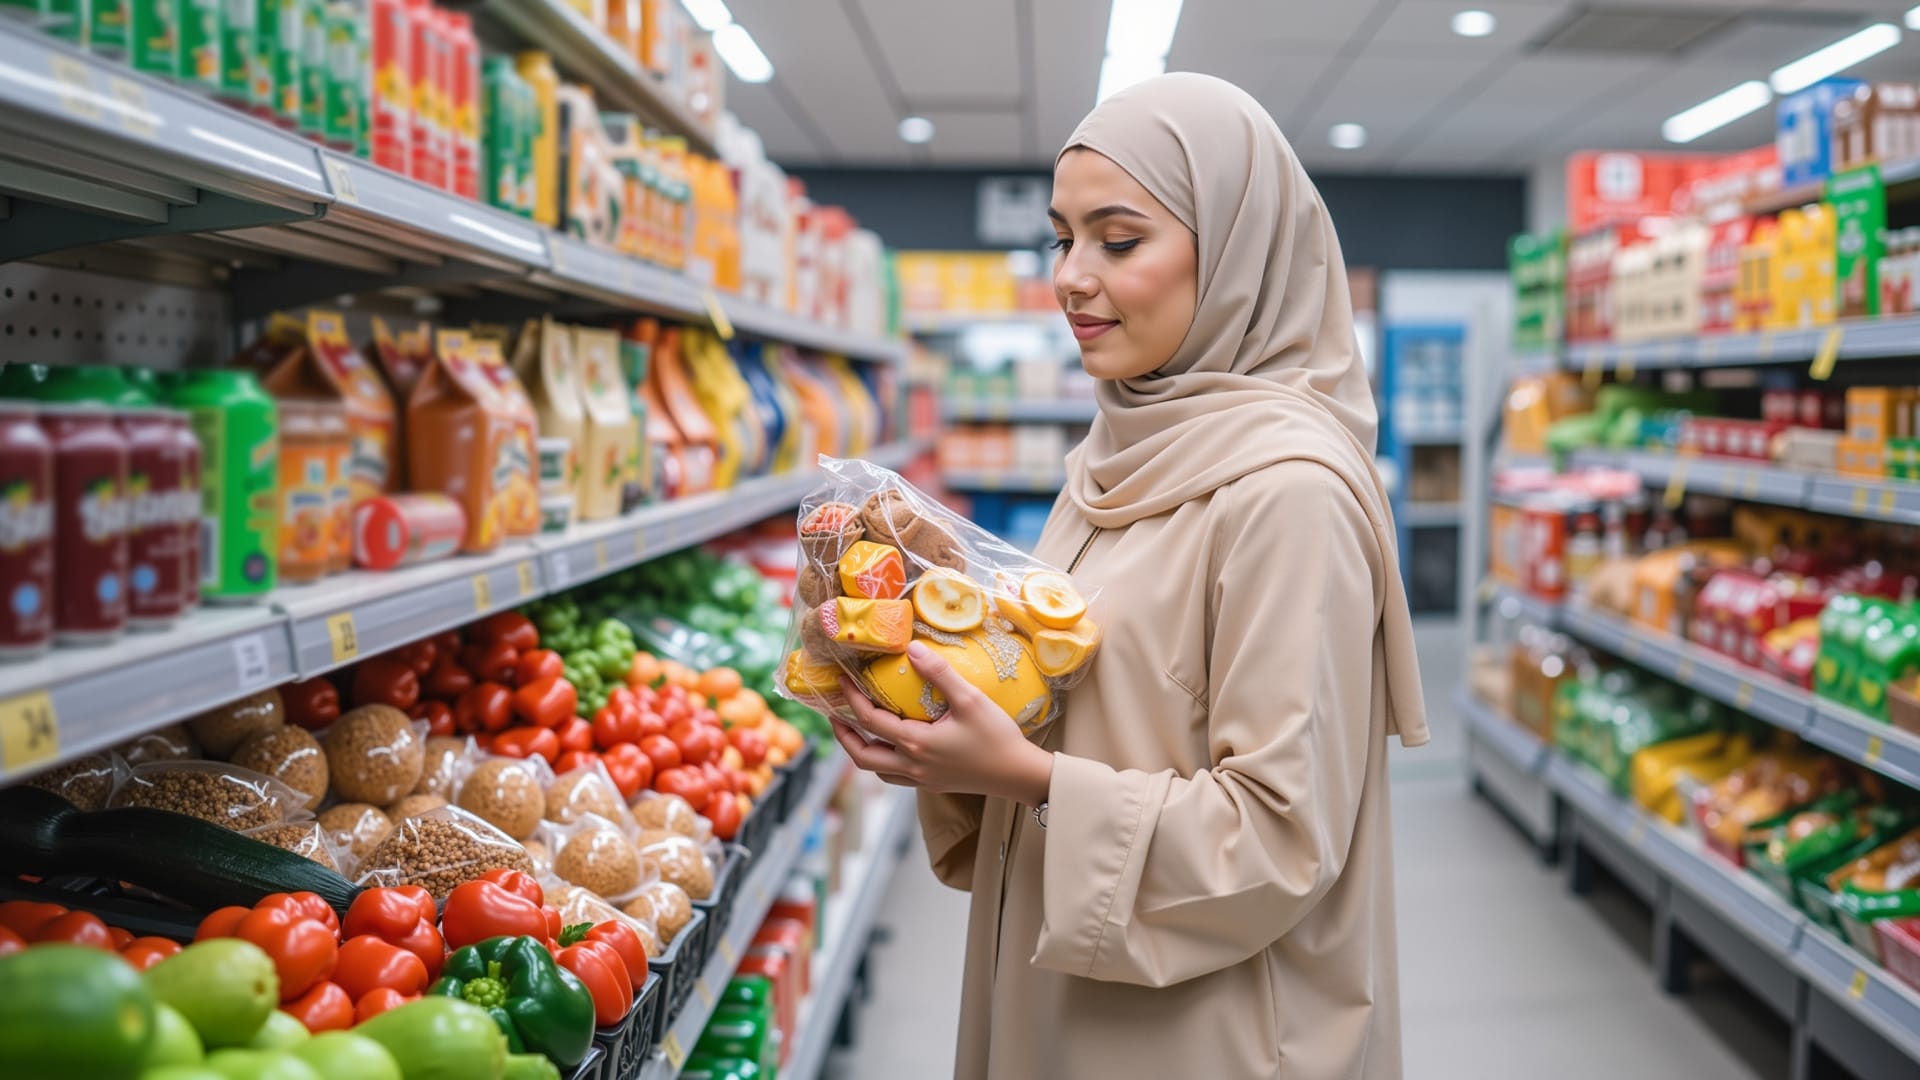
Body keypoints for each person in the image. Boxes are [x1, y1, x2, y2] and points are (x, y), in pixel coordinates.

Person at [831, 72, 1431, 1080]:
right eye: (1062, 238)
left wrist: (1022, 777)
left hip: (1210, 1025)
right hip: (1065, 983)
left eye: (1119, 239)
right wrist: (937, 684)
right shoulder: (1111, 459)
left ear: (1239, 251)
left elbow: (1279, 837)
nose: (1070, 275)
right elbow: (1082, 703)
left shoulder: (1289, 494)